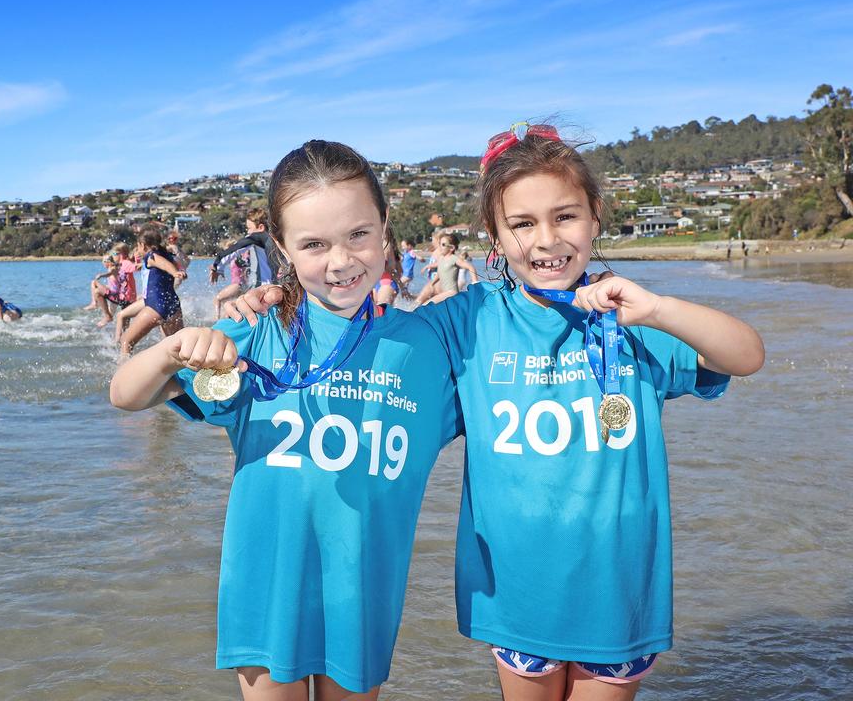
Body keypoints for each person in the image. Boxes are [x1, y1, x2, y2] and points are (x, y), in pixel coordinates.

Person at [225, 122, 764, 701]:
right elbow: (377, 341)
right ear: (495, 233)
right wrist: (276, 307)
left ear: (596, 216)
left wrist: (658, 307)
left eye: (566, 216)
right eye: (523, 224)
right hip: (517, 592)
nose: (547, 240)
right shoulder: (470, 319)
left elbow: (745, 355)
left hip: (620, 591)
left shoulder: (628, 317)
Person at [110, 139, 460, 700]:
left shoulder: (429, 348)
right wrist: (174, 349)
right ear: (282, 247)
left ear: (386, 225)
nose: (341, 261)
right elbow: (126, 395)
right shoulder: (258, 333)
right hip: (266, 589)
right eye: (314, 244)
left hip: (361, 594)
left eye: (359, 235)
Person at [119, 228, 187, 355]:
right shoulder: (167, 254)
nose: (138, 250)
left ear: (143, 245)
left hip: (156, 306)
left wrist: (175, 273)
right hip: (173, 305)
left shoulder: (151, 256)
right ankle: (183, 373)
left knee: (126, 341)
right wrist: (180, 271)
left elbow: (164, 265)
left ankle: (122, 371)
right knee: (176, 347)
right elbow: (174, 264)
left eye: (138, 246)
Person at [209, 207, 281, 289]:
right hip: (278, 287)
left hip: (264, 289)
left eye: (249, 228)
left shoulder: (257, 237)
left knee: (230, 302)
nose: (248, 232)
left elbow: (235, 249)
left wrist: (217, 266)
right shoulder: (277, 238)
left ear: (261, 227)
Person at [415, 233, 478, 306]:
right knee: (423, 304)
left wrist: (475, 283)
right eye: (440, 244)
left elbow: (470, 267)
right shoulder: (441, 258)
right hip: (445, 292)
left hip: (452, 292)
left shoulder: (454, 259)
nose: (440, 247)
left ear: (451, 248)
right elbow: (439, 274)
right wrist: (432, 284)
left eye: (443, 244)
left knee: (426, 305)